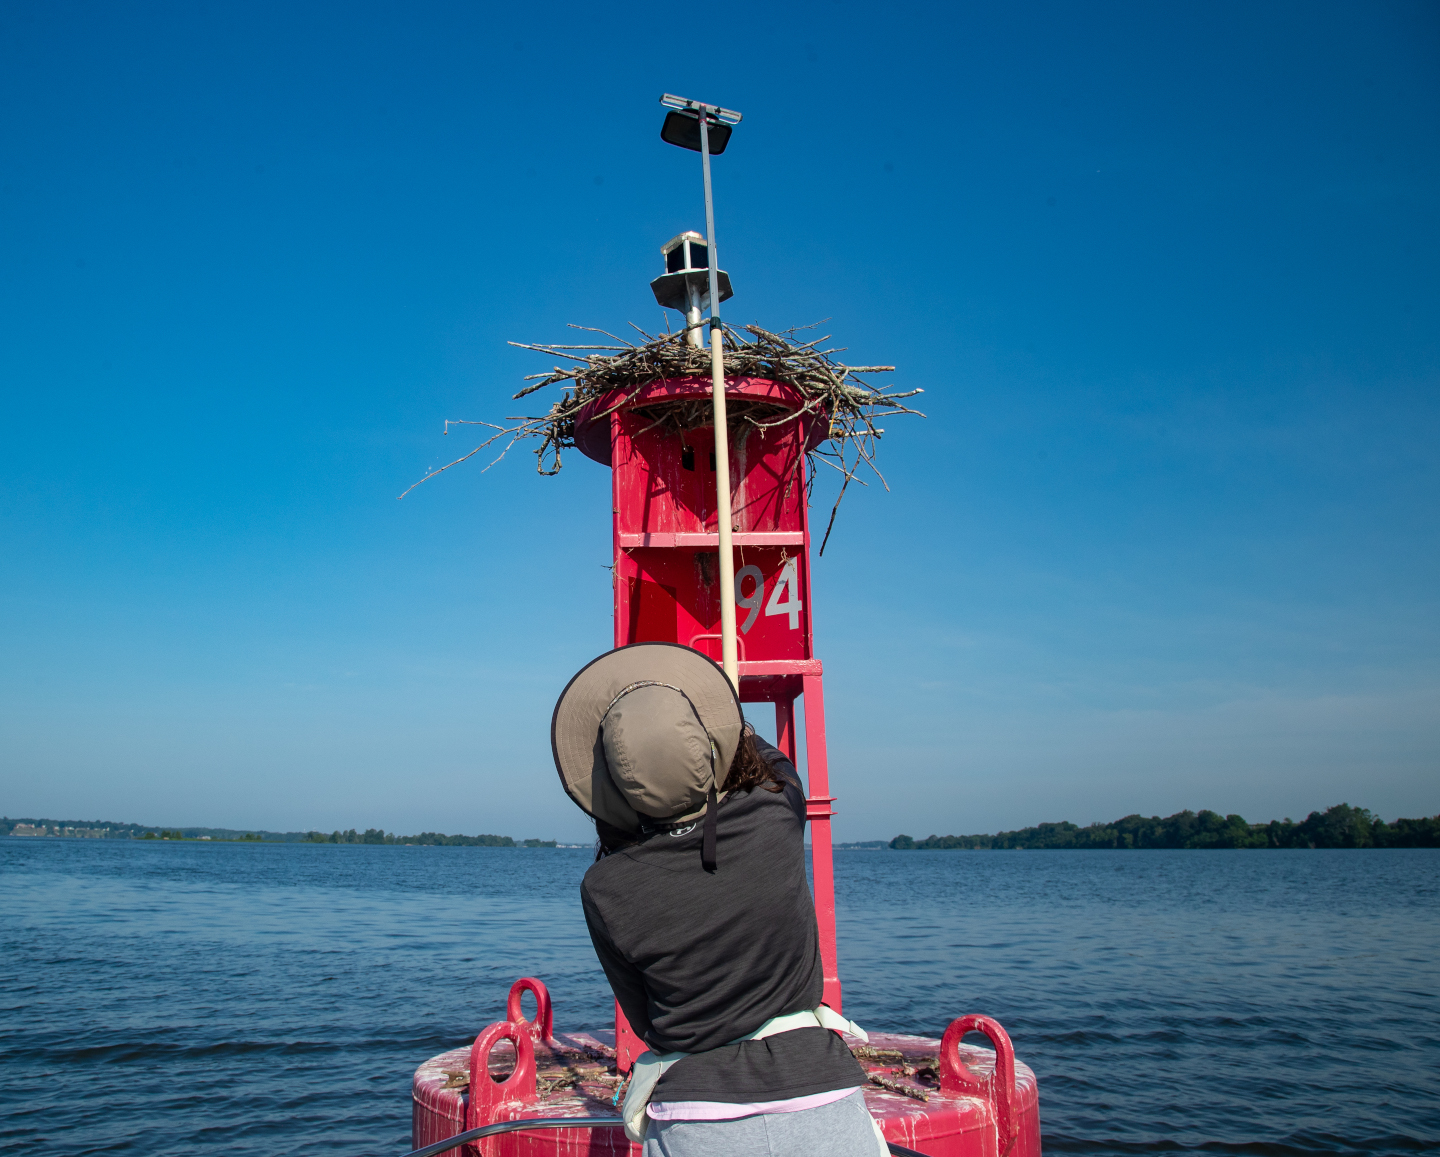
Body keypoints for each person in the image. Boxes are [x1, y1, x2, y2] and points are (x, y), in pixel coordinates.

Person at [550, 641, 885, 1157]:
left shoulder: (604, 889)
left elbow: (645, 1021)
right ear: (710, 748)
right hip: (823, 1095)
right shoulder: (773, 814)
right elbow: (773, 763)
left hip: (695, 1119)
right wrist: (730, 726)